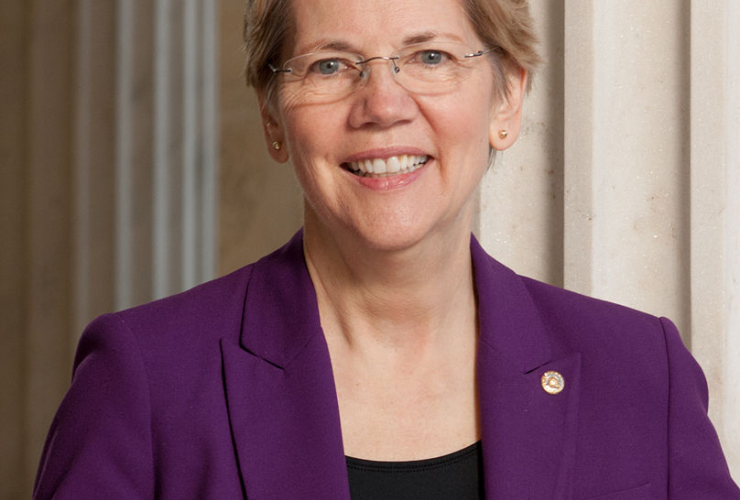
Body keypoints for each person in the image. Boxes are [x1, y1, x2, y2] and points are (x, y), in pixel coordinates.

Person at [34, 0, 739, 498]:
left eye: (429, 56)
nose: (382, 104)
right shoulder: (145, 383)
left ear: (506, 101)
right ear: (274, 121)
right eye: (331, 66)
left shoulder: (643, 374)